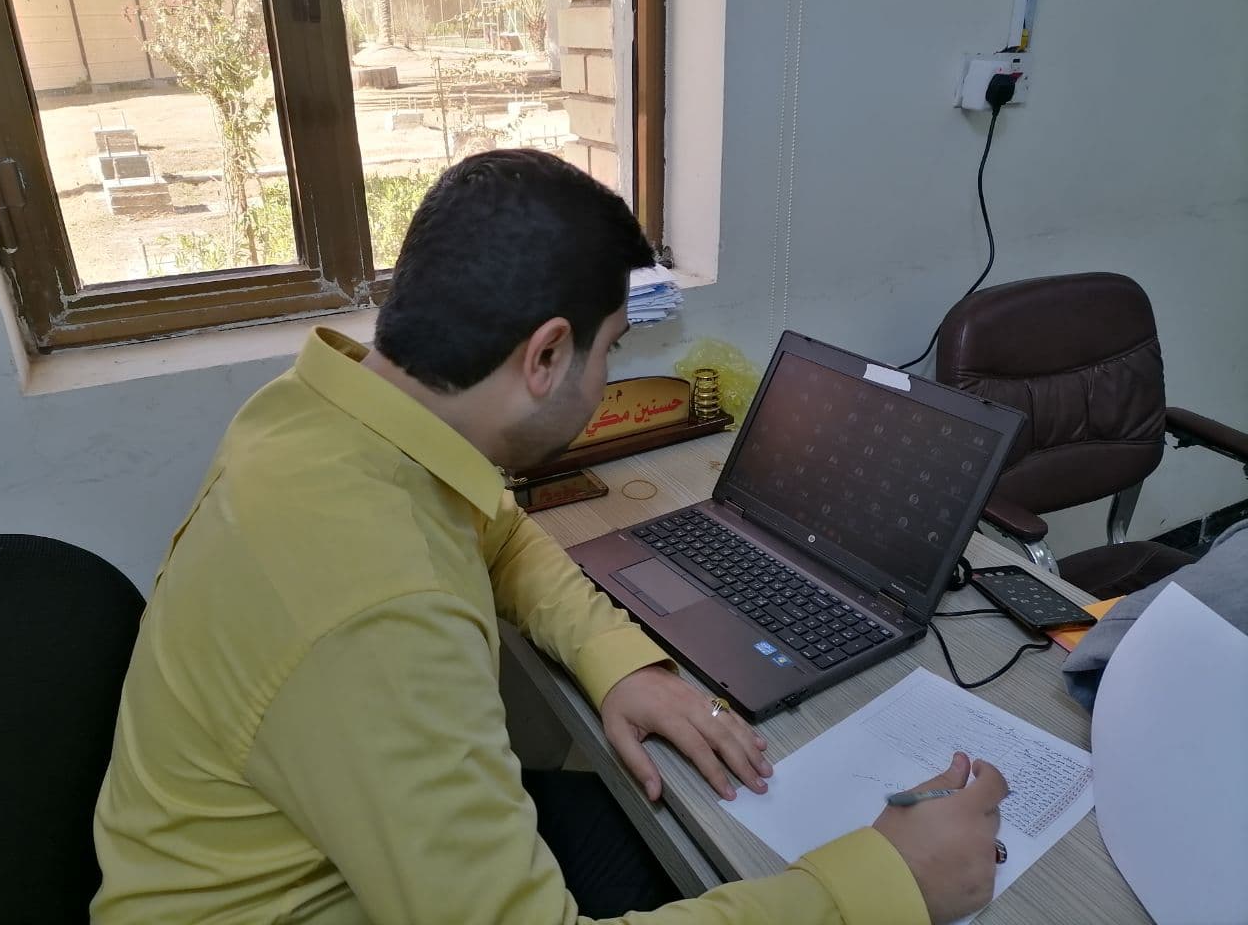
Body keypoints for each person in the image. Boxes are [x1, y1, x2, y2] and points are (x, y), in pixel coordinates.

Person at [92, 149, 1007, 925]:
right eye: (611, 349)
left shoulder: (322, 415)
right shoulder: (381, 607)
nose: (607, 376)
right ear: (545, 356)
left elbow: (497, 533)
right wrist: (883, 886)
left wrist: (618, 659)